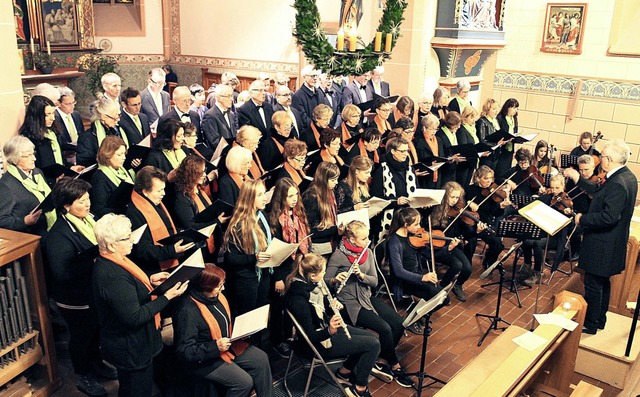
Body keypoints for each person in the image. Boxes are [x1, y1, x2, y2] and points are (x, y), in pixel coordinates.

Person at [93, 214, 189, 397]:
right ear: (111, 245)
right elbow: (134, 316)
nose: (132, 241)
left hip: (136, 343)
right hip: (131, 348)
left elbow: (130, 285)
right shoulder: (111, 274)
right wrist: (167, 297)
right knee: (137, 391)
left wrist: (149, 280)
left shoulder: (117, 259)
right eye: (127, 238)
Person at [47, 178, 117, 397]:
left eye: (88, 199)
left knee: (95, 331)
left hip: (92, 292)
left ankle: (96, 362)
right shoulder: (58, 234)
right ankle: (82, 375)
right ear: (67, 205)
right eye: (81, 201)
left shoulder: (88, 219)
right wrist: (94, 261)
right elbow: (62, 273)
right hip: (74, 299)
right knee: (81, 338)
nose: (88, 205)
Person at [325, 220, 413, 387]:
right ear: (351, 239)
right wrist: (336, 279)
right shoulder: (339, 255)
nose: (367, 241)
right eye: (363, 239)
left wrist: (361, 276)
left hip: (366, 297)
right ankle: (394, 364)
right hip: (348, 303)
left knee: (398, 324)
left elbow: (374, 282)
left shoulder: (368, 253)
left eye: (367, 238)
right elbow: (325, 281)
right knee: (385, 329)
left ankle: (380, 359)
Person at [563, 140, 637, 334]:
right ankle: (599, 319)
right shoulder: (627, 176)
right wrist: (578, 178)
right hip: (611, 242)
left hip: (603, 242)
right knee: (602, 282)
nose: (599, 160)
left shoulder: (618, 183)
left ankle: (591, 323)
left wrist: (582, 219)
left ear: (609, 160)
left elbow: (608, 217)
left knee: (593, 284)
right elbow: (597, 190)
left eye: (602, 157)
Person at [285, 253, 381, 397]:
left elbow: (320, 308)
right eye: (323, 272)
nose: (325, 275)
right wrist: (329, 330)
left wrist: (331, 306)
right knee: (373, 345)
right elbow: (310, 336)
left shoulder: (310, 286)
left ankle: (344, 372)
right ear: (312, 276)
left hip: (324, 330)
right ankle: (359, 388)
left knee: (370, 338)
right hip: (318, 343)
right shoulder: (299, 299)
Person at [172, 264, 274, 396]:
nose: (223, 288)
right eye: (219, 286)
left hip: (226, 345)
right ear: (205, 288)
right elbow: (184, 351)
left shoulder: (216, 296)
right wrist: (215, 347)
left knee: (261, 358)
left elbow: (224, 320)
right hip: (205, 359)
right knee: (243, 382)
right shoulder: (187, 311)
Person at [267, 177, 311, 358]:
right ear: (281, 197)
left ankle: (290, 336)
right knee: (278, 306)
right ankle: (279, 340)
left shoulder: (297, 213)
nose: (294, 199)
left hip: (294, 264)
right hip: (279, 267)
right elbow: (272, 251)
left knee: (292, 302)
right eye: (290, 196)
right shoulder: (274, 218)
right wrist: (277, 277)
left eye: (296, 195)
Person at [126, 166, 194, 273]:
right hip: (155, 269)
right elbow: (141, 250)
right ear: (145, 192)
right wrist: (171, 250)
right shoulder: (134, 213)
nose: (164, 194)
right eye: (159, 191)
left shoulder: (154, 201)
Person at [223, 179, 272, 316]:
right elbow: (230, 258)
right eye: (260, 195)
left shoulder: (262, 216)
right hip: (246, 280)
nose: (265, 198)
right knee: (248, 318)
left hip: (263, 275)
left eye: (265, 193)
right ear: (250, 198)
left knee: (260, 318)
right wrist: (254, 257)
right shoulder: (239, 224)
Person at [387, 208, 450, 313]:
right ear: (406, 225)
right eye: (416, 224)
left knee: (442, 296)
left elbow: (427, 255)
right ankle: (415, 317)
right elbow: (399, 272)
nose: (419, 227)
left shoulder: (411, 236)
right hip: (406, 281)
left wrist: (448, 248)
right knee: (443, 299)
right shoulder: (394, 243)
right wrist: (422, 277)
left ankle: (420, 313)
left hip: (417, 275)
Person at [429, 182, 477, 301]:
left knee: (467, 269)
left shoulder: (457, 213)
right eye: (452, 197)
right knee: (457, 265)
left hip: (452, 245)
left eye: (457, 197)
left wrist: (477, 231)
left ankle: (458, 285)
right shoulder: (434, 208)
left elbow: (467, 232)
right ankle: (441, 289)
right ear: (445, 196)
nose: (455, 201)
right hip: (436, 246)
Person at [0, 136, 55, 236]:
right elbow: (2, 220)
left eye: (33, 154)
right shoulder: (6, 185)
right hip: (31, 235)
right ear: (15, 159)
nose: (34, 158)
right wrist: (24, 221)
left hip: (51, 229)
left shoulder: (37, 172)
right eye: (28, 156)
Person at [370, 137, 417, 241]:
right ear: (393, 151)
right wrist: (396, 201)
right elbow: (376, 198)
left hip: (408, 216)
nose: (406, 154)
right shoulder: (381, 171)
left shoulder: (410, 169)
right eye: (402, 151)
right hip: (390, 218)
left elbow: (416, 190)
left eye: (407, 150)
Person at [20, 95, 74, 173]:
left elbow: (59, 159)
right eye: (47, 115)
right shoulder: (29, 137)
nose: (52, 118)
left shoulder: (53, 132)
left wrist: (70, 167)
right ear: (37, 116)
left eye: (53, 113)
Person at [90, 136, 134, 219]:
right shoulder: (99, 178)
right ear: (107, 155)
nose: (124, 158)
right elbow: (99, 209)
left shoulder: (122, 170)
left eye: (124, 154)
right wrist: (123, 211)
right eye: (119, 155)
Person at [302, 162, 341, 255]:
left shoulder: (330, 192)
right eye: (333, 180)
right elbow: (310, 231)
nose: (336, 182)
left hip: (331, 243)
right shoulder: (311, 196)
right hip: (319, 247)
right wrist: (336, 230)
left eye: (337, 179)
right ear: (324, 179)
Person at [77, 98, 129, 167]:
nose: (118, 120)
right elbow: (85, 164)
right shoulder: (87, 137)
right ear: (103, 116)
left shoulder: (119, 131)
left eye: (119, 115)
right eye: (114, 117)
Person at [158, 86, 205, 155]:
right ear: (174, 100)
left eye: (189, 100)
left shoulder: (195, 115)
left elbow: (199, 140)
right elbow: (161, 144)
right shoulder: (166, 119)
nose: (187, 104)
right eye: (184, 101)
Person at [202, 84, 238, 150]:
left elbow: (234, 135)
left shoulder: (231, 114)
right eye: (228, 96)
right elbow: (214, 141)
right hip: (220, 155)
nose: (231, 99)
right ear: (218, 98)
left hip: (233, 153)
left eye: (231, 96)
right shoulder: (210, 115)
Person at [436, 111, 465, 185]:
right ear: (451, 124)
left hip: (453, 168)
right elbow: (440, 153)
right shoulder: (441, 135)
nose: (458, 127)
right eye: (457, 125)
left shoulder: (453, 133)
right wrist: (452, 158)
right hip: (444, 170)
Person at [415, 113, 443, 189]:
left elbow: (441, 156)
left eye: (436, 129)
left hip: (437, 177)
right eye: (431, 129)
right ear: (424, 128)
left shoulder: (439, 140)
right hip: (424, 177)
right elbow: (418, 160)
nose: (434, 132)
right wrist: (430, 163)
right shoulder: (418, 141)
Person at [456, 106, 481, 187]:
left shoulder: (472, 129)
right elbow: (464, 146)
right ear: (465, 117)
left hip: (471, 161)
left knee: (466, 186)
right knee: (461, 185)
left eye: (474, 117)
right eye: (471, 117)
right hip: (464, 164)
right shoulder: (461, 130)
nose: (474, 120)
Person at [495, 98, 519, 177]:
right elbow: (499, 133)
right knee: (499, 172)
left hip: (510, 149)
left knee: (506, 173)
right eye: (513, 107)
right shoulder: (500, 118)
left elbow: (515, 132)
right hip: (501, 149)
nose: (515, 110)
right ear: (507, 107)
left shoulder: (514, 119)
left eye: (516, 108)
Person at [475, 98, 502, 170]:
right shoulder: (482, 121)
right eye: (494, 109)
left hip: (495, 153)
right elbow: (482, 140)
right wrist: (496, 143)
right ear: (487, 109)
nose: (496, 111)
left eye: (497, 109)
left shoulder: (495, 121)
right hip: (487, 155)